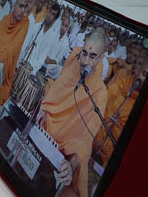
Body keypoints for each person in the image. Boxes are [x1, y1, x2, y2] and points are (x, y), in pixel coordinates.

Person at [36, 29, 109, 197]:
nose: (85, 61)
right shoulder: (73, 66)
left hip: (68, 150)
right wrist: (44, 110)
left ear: (101, 58)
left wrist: (72, 164)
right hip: (46, 129)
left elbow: (86, 138)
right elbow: (55, 93)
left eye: (92, 57)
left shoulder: (99, 92)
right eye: (84, 53)